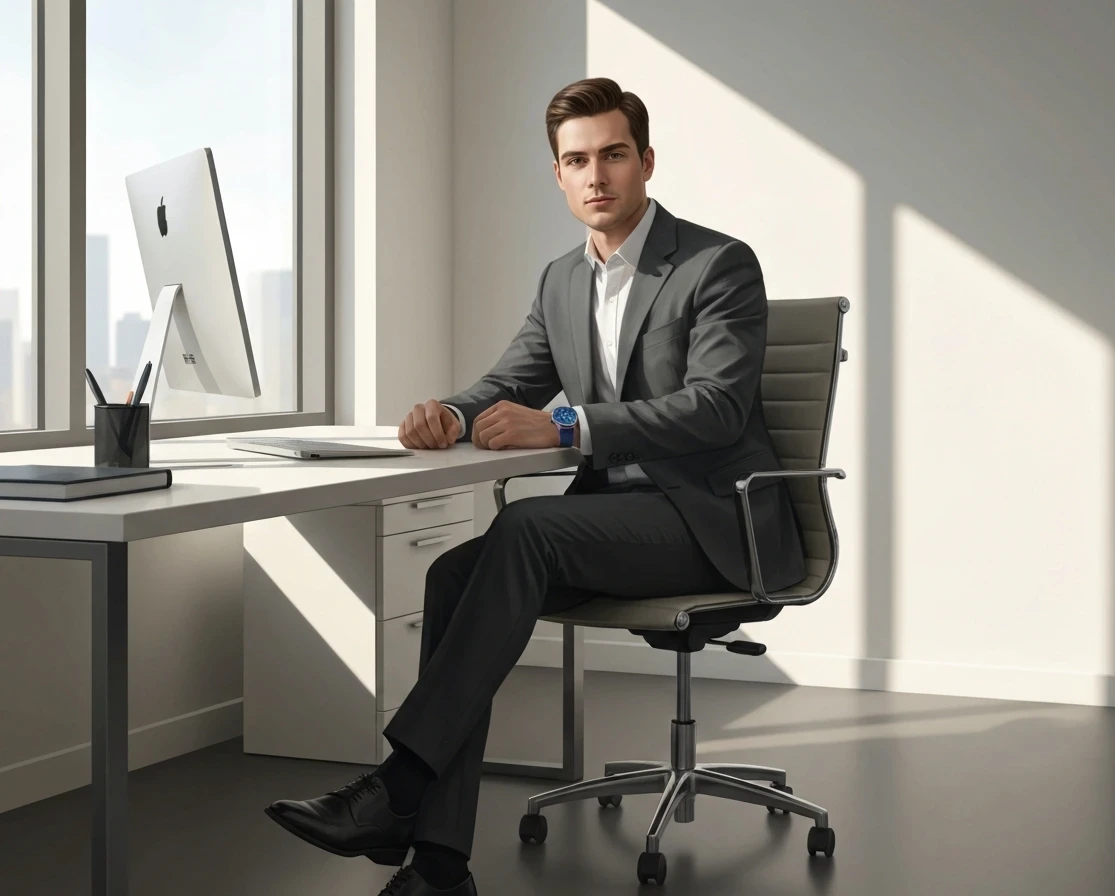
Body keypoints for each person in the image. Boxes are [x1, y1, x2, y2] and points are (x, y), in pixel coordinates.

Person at [264, 76, 806, 896]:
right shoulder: (561, 281)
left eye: (614, 155)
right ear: (558, 175)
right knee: (453, 573)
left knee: (525, 530)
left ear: (647, 161)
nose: (598, 176)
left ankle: (400, 787)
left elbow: (717, 409)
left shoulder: (715, 264)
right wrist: (447, 412)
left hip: (710, 523)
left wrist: (561, 428)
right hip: (615, 522)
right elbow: (511, 377)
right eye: (578, 160)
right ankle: (440, 866)